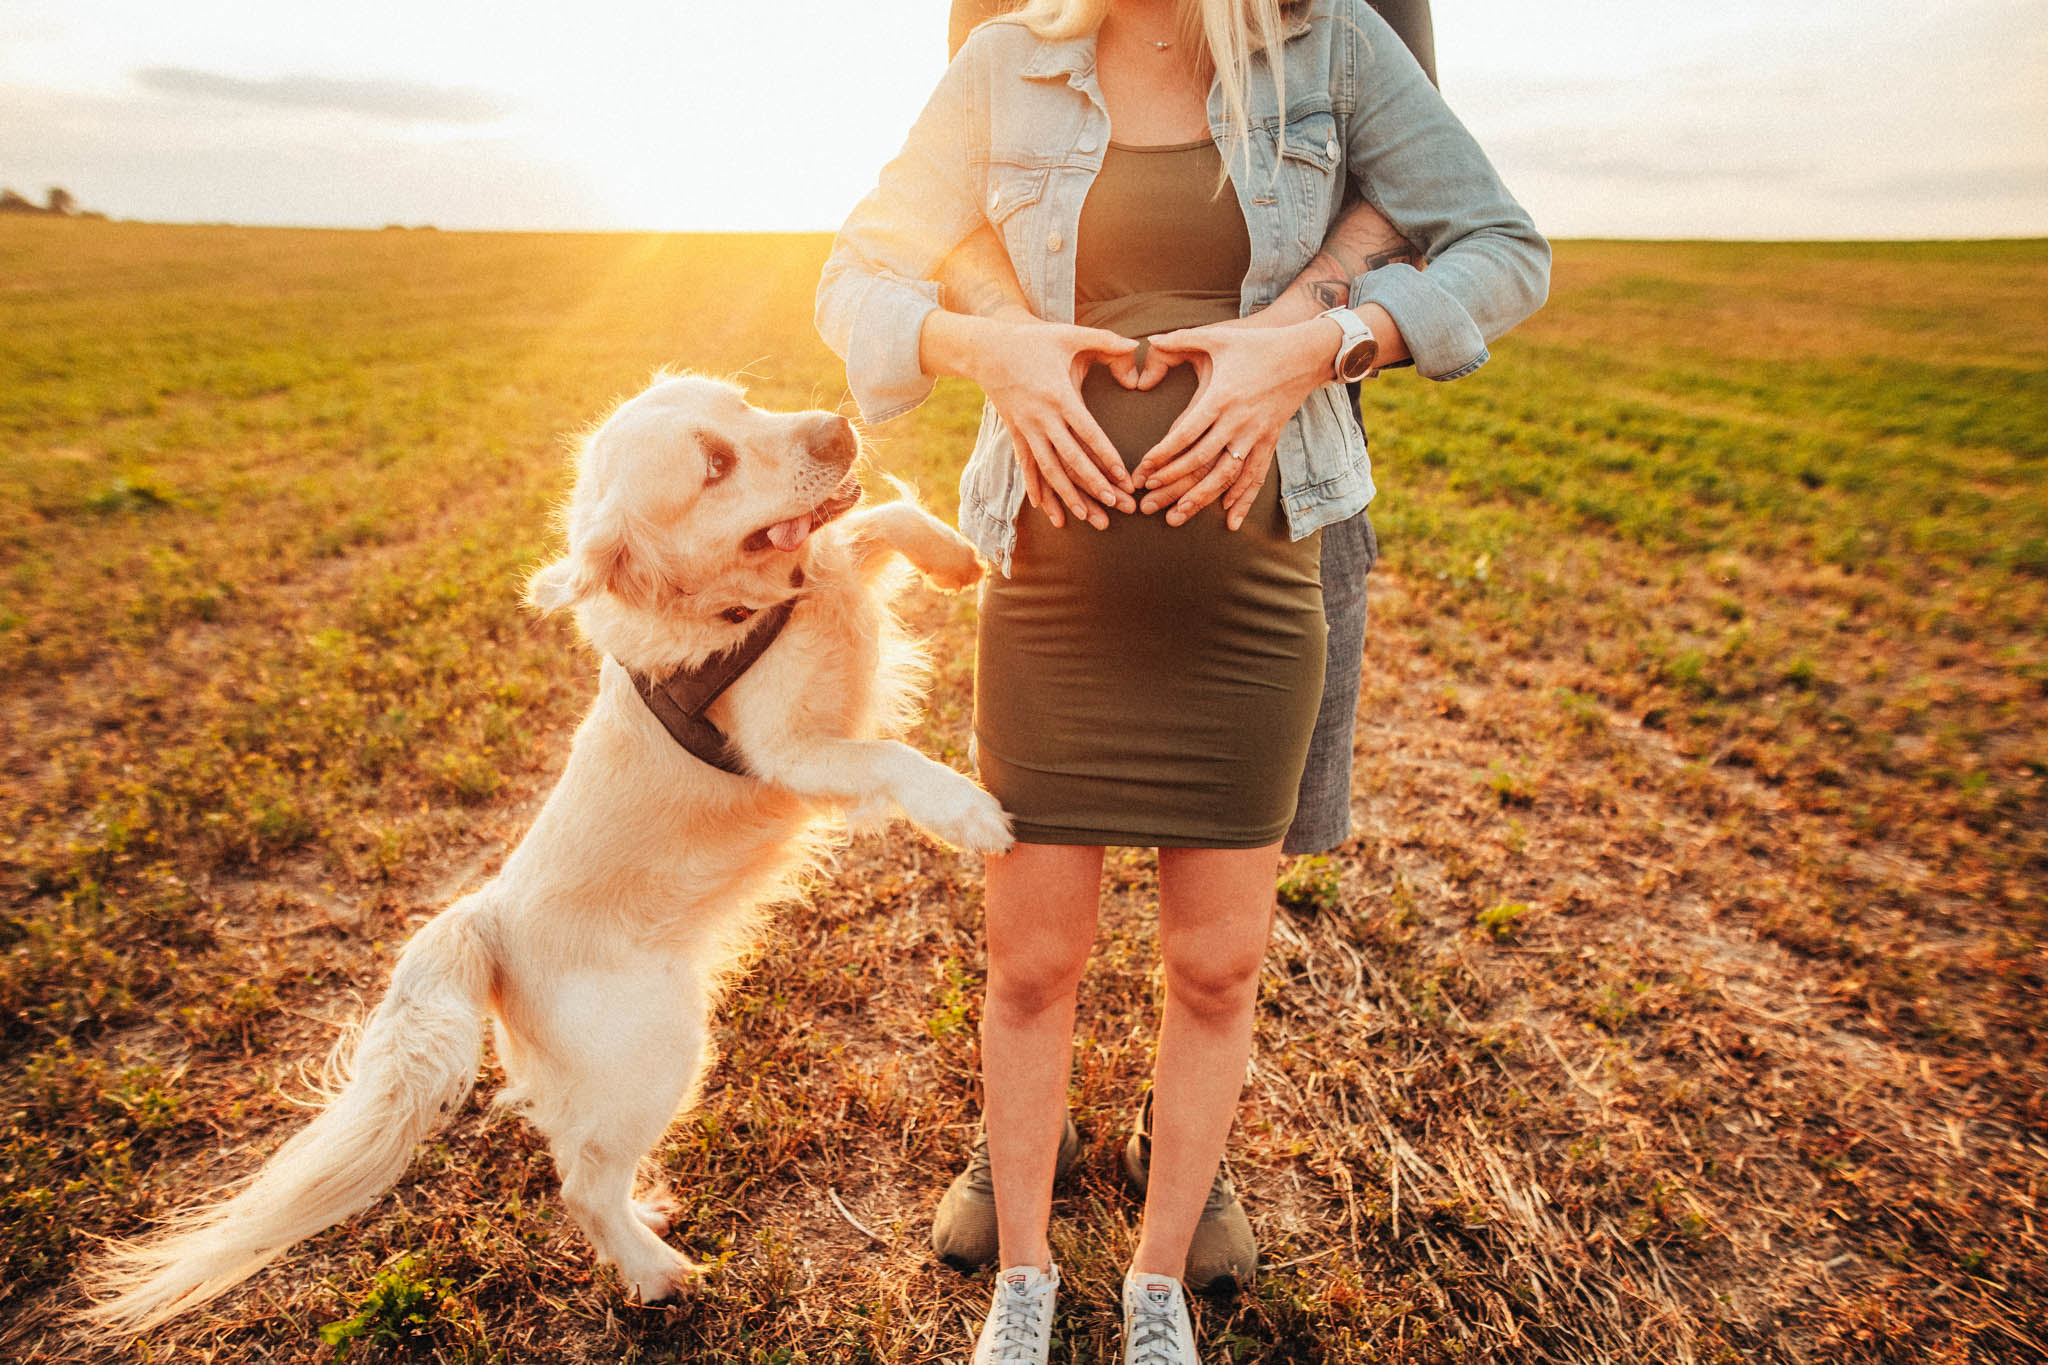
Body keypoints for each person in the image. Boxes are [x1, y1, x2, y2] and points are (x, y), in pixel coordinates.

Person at [816, 3, 1547, 1360]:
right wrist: (986, 349)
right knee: (1031, 964)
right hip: (1052, 598)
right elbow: (858, 272)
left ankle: (1157, 1282)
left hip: (1256, 599)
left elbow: (1503, 247)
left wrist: (1325, 340)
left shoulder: (1330, 50)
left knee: (1218, 966)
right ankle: (1023, 1279)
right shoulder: (1006, 60)